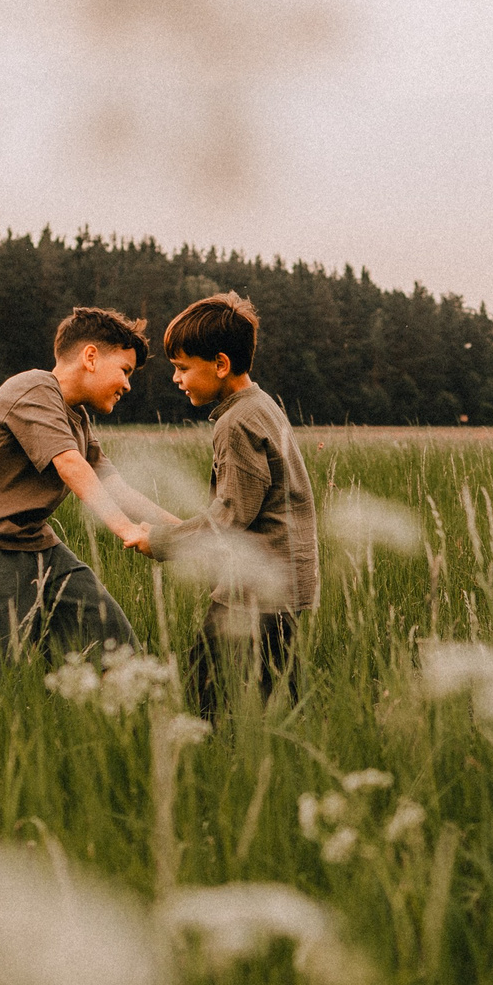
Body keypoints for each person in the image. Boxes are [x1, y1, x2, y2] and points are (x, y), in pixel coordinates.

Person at [0, 307, 179, 664]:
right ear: (90, 357)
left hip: (34, 545)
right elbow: (70, 465)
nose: (127, 385)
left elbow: (116, 488)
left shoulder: (76, 417)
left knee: (111, 639)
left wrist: (185, 531)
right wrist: (126, 530)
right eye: (125, 371)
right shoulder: (34, 388)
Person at [149, 292, 318, 716]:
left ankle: (208, 749)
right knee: (276, 690)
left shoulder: (236, 422)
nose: (176, 379)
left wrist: (162, 542)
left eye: (183, 367)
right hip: (283, 581)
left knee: (204, 685)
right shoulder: (262, 405)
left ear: (221, 364)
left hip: (257, 588)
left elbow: (231, 515)